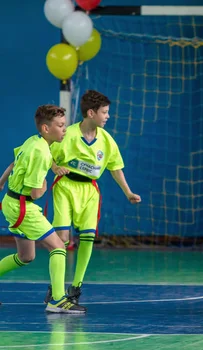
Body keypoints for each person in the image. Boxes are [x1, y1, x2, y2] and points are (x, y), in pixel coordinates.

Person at [44, 90, 141, 305]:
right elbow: (46, 151)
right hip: (66, 187)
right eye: (104, 112)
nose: (107, 116)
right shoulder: (66, 135)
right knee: (62, 240)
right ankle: (56, 287)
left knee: (87, 238)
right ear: (90, 113)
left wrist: (128, 192)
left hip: (90, 192)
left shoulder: (106, 140)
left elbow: (115, 168)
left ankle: (76, 287)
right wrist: (54, 166)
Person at [0, 105, 85, 313]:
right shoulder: (41, 153)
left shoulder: (33, 141)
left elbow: (13, 162)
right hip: (23, 207)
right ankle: (57, 300)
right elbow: (37, 193)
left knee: (25, 257)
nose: (65, 129)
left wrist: (1, 182)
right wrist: (48, 183)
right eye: (60, 125)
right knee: (58, 246)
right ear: (46, 128)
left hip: (11, 203)